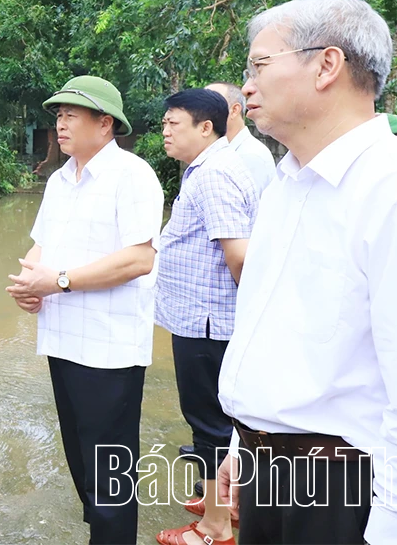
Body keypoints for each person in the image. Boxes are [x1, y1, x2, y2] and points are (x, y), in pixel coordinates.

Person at [215, 0, 397, 544]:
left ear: (327, 65)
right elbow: (268, 328)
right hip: (269, 474)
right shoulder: (285, 185)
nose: (248, 86)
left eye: (260, 65)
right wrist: (244, 446)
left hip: (346, 491)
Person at [6, 75, 165, 545]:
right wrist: (27, 284)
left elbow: (139, 258)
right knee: (81, 461)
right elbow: (40, 246)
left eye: (71, 114)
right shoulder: (59, 180)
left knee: (110, 475)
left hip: (108, 350)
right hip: (62, 341)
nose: (61, 124)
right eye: (58, 115)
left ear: (105, 123)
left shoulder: (132, 175)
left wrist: (56, 281)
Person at [154, 89, 257, 545]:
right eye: (164, 122)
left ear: (205, 127)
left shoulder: (214, 175)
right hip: (203, 320)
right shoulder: (208, 169)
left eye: (174, 122)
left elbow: (239, 258)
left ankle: (215, 528)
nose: (165, 130)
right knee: (219, 425)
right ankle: (224, 507)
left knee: (210, 425)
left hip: (209, 324)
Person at [205, 82, 277, 193]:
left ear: (234, 110)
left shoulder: (251, 156)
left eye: (211, 105)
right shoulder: (220, 150)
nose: (201, 113)